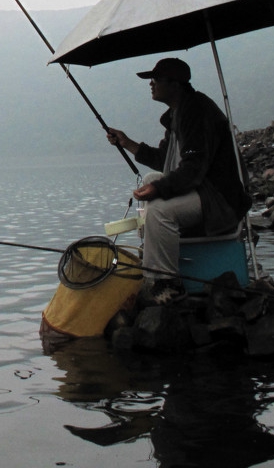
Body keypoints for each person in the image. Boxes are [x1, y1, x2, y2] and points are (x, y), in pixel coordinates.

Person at [105, 57, 251, 305]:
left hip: (220, 199)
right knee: (152, 179)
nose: (151, 84)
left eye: (156, 79)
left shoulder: (196, 112)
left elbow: (194, 168)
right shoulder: (179, 113)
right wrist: (127, 142)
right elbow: (165, 160)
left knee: (159, 210)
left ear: (175, 84)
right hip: (204, 189)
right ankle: (157, 264)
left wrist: (158, 189)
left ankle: (166, 282)